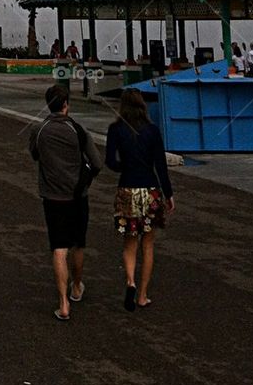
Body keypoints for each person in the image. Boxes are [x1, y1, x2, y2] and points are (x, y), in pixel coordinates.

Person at [28, 84, 102, 321]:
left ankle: (63, 304)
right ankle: (77, 286)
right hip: (78, 195)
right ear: (66, 105)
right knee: (78, 244)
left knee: (59, 248)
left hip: (52, 197)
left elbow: (35, 155)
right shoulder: (78, 130)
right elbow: (97, 163)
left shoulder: (39, 130)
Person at [105, 88, 174, 310]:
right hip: (150, 189)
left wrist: (124, 167)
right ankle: (143, 295)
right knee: (148, 244)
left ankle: (130, 282)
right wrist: (168, 193)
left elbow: (110, 161)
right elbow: (160, 165)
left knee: (129, 243)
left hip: (127, 188)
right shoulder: (152, 131)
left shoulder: (116, 129)